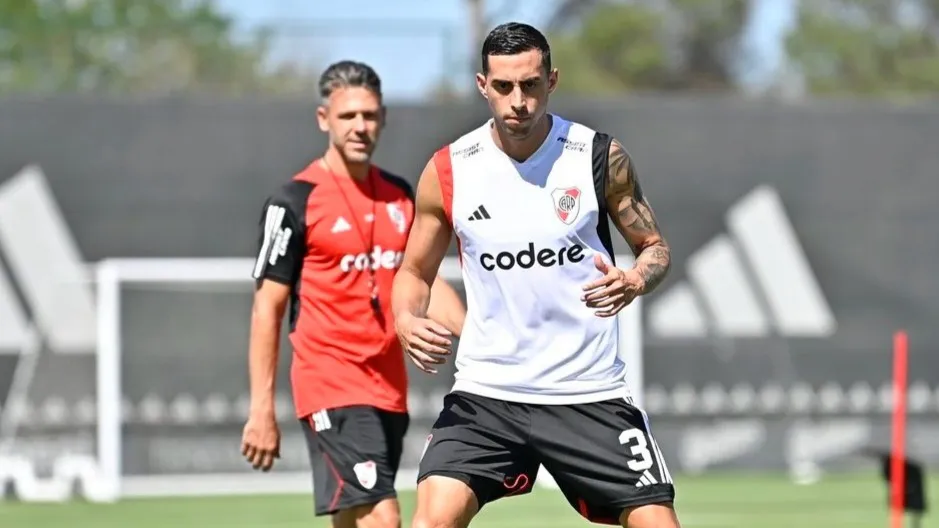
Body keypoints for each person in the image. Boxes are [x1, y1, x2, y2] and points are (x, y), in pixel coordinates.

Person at [391, 22, 680, 528]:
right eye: (503, 87)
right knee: (430, 522)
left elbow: (654, 249)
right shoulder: (448, 171)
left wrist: (635, 280)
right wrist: (405, 318)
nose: (518, 101)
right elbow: (414, 273)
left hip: (588, 392)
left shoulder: (598, 157)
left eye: (530, 85)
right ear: (483, 85)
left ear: (552, 81)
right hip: (488, 394)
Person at [241, 60, 466, 528]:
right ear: (324, 119)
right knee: (383, 518)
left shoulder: (401, 195)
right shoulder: (294, 202)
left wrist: (481, 343)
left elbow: (425, 282)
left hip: (388, 387)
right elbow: (268, 308)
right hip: (330, 383)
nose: (360, 126)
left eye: (369, 115)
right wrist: (261, 408)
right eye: (348, 116)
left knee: (353, 515)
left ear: (382, 118)